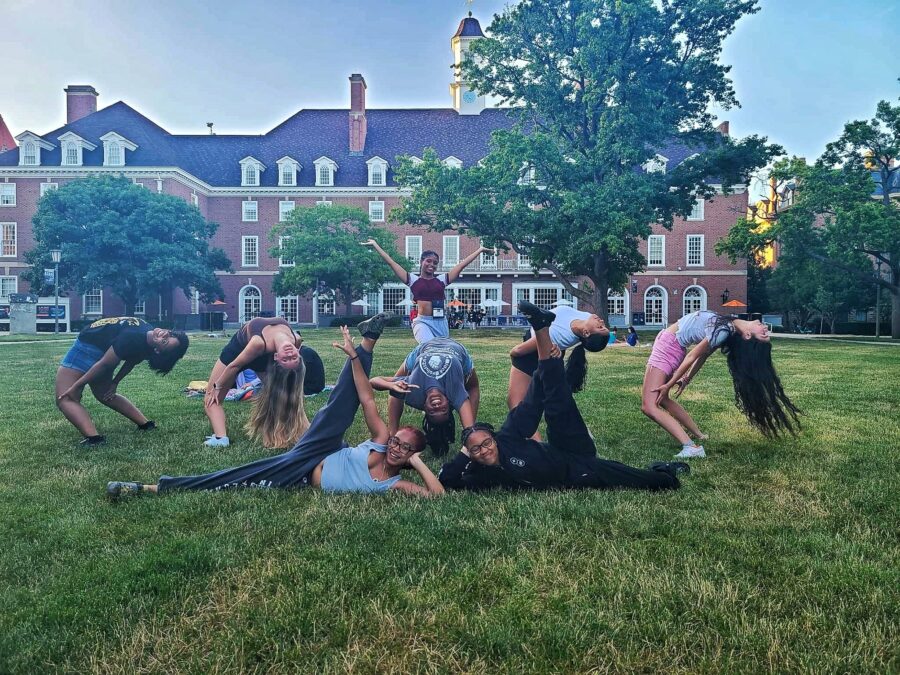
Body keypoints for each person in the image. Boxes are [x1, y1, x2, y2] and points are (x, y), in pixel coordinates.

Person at [107, 316, 445, 501]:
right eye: (398, 441)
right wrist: (357, 357)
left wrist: (416, 462)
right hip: (321, 450)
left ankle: (153, 488)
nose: (397, 447)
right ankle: (368, 338)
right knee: (340, 410)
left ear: (413, 455)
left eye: (405, 448)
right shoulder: (382, 440)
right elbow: (364, 398)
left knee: (242, 479)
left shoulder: (396, 482)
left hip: (299, 469)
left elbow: (438, 497)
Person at [439, 301, 686, 492]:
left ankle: (540, 326)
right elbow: (447, 480)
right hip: (576, 467)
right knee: (630, 477)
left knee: (554, 402)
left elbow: (532, 404)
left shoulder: (507, 438)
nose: (484, 451)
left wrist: (544, 369)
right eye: (477, 450)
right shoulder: (483, 477)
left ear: (494, 439)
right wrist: (466, 448)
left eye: (486, 443)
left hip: (564, 446)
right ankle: (665, 475)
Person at [642, 310, 801, 459]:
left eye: (763, 334)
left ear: (747, 335)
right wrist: (686, 378)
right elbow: (703, 355)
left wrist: (669, 384)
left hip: (669, 348)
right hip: (669, 345)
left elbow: (692, 356)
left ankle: (691, 447)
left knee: (649, 406)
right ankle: (699, 435)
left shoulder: (724, 330)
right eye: (765, 331)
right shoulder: (727, 328)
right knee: (661, 400)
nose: (765, 327)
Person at [56, 317, 189, 446]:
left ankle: (94, 439)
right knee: (104, 393)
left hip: (87, 348)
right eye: (170, 334)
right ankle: (145, 424)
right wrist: (114, 383)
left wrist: (76, 386)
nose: (164, 334)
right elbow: (131, 360)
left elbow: (104, 364)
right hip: (103, 349)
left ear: (157, 351)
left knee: (65, 399)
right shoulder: (145, 339)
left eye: (164, 341)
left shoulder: (132, 337)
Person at [204, 317, 323, 449]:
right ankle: (221, 435)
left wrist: (217, 386)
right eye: (293, 357)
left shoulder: (258, 343)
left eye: (286, 359)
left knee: (211, 397)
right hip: (244, 353)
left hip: (243, 354)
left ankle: (221, 439)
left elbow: (234, 366)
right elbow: (236, 366)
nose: (290, 354)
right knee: (212, 397)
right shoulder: (296, 340)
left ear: (277, 357)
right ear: (298, 352)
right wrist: (218, 387)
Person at [361, 239, 490, 343]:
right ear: (421, 261)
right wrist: (376, 245)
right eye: (428, 261)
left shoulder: (442, 280)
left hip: (441, 322)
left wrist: (479, 250)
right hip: (422, 322)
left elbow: (461, 265)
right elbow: (391, 263)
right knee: (428, 346)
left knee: (441, 352)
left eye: (435, 263)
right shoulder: (413, 280)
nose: (432, 265)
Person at [370, 338, 480, 456]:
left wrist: (391, 385)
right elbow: (470, 433)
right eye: (443, 410)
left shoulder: (414, 391)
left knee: (397, 391)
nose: (436, 405)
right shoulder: (455, 392)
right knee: (473, 387)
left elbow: (373, 381)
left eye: (433, 412)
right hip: (457, 349)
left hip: (425, 348)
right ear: (449, 403)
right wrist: (468, 443)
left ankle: (392, 432)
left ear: (424, 407)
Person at [508, 304, 609, 413]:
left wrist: (513, 354)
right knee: (520, 403)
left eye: (600, 327)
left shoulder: (558, 337)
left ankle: (530, 430)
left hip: (532, 356)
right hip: (545, 352)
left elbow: (517, 351)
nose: (602, 322)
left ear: (586, 332)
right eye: (604, 326)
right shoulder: (587, 317)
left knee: (515, 404)